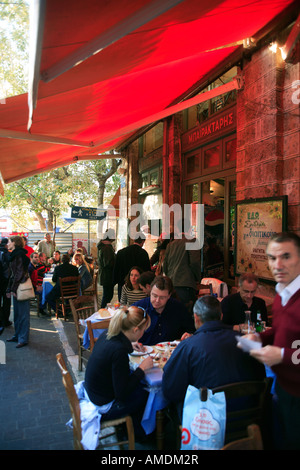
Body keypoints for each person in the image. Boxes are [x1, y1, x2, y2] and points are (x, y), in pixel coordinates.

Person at [162, 295, 266, 417]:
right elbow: (261, 378)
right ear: (221, 316)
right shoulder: (246, 342)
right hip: (247, 416)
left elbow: (170, 390)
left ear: (196, 318)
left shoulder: (188, 346)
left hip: (206, 422)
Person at [244, 232, 300, 450]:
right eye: (272, 258)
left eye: (286, 256)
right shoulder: (282, 291)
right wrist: (260, 336)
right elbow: (282, 330)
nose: (278, 264)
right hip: (284, 389)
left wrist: (283, 355)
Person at [84, 306, 153, 438]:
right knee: (146, 393)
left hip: (93, 392)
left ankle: (129, 428)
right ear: (135, 330)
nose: (143, 333)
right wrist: (142, 369)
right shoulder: (119, 351)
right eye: (143, 330)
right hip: (102, 405)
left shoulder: (108, 334)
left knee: (139, 385)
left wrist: (130, 345)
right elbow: (122, 394)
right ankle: (137, 434)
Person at [133, 275, 195, 345]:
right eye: (154, 295)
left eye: (162, 297)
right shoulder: (139, 307)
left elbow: (191, 329)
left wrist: (189, 335)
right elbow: (123, 331)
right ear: (150, 291)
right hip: (144, 352)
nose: (157, 300)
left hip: (170, 352)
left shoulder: (178, 308)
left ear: (169, 296)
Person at [163, 219, 201, 311]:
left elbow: (165, 265)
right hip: (186, 285)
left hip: (172, 285)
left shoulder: (170, 245)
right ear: (189, 229)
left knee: (174, 312)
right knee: (185, 313)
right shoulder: (192, 241)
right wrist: (198, 278)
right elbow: (195, 262)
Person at [6, 236, 31, 348]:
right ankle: (18, 336)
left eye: (9, 241)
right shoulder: (16, 254)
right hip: (18, 287)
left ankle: (23, 338)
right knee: (17, 314)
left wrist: (13, 288)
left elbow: (19, 273)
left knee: (23, 314)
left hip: (21, 288)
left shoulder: (18, 255)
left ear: (14, 243)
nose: (7, 243)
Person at [113, 233, 151, 300]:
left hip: (123, 284)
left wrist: (116, 282)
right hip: (139, 286)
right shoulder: (143, 253)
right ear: (143, 242)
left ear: (134, 240)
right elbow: (147, 271)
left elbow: (116, 270)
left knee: (123, 305)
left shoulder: (121, 252)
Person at [97, 229, 116, 308]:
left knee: (107, 295)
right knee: (108, 295)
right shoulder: (107, 248)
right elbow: (108, 263)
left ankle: (103, 311)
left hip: (104, 275)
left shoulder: (103, 246)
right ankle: (102, 311)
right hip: (107, 276)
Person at [0, 238, 11, 333]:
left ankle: (1, 321)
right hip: (6, 281)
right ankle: (5, 321)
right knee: (7, 301)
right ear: (6, 245)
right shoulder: (8, 254)